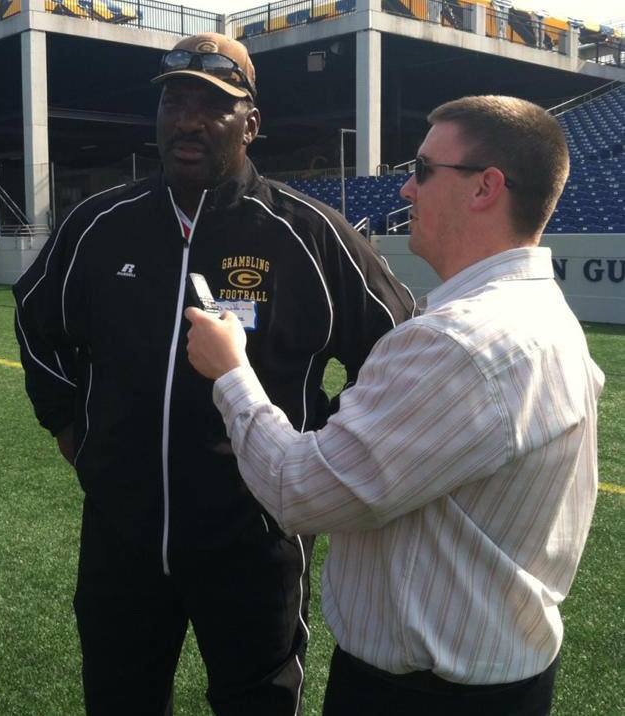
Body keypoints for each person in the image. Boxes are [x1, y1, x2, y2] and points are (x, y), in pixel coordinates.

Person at [13, 31, 414, 716]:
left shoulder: (309, 233)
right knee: (118, 700)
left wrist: (323, 449)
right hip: (121, 535)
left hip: (255, 541)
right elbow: (35, 320)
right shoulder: (98, 226)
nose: (188, 121)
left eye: (212, 105)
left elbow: (398, 350)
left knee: (257, 703)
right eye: (174, 103)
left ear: (251, 124)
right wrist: (68, 425)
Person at [185, 95, 604, 715]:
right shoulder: (543, 314)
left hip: (420, 695)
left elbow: (297, 491)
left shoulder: (457, 341)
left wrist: (231, 372)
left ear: (486, 187)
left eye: (424, 170)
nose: (406, 189)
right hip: (503, 677)